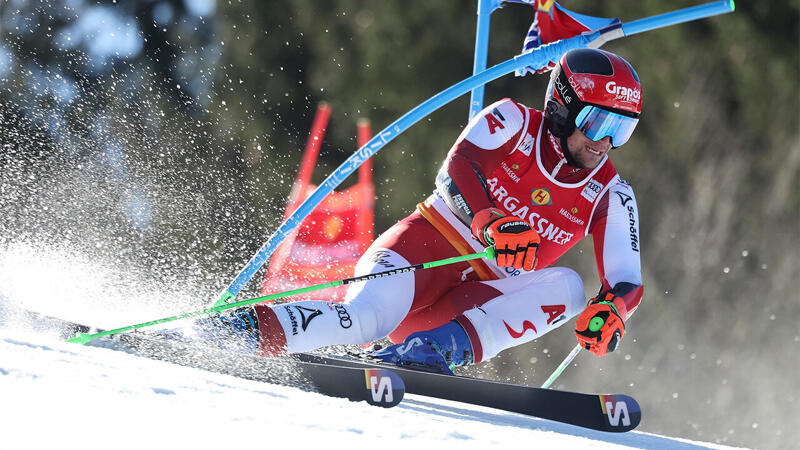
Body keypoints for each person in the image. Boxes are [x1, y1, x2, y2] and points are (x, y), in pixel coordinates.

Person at [195, 48, 644, 375]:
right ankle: (239, 330)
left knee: (568, 288)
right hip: (423, 251)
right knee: (365, 320)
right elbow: (456, 170)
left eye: (621, 129)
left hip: (470, 305)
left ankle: (435, 351)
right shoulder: (510, 121)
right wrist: (490, 220)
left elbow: (625, 280)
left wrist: (613, 311)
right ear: (563, 108)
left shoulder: (611, 193)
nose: (604, 142)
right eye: (598, 123)